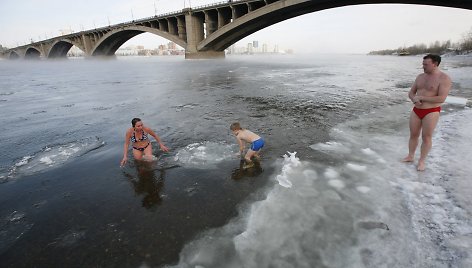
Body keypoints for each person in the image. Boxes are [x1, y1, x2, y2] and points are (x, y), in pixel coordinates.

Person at [403, 54, 451, 171]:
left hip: (431, 111)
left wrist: (422, 98)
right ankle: (410, 156)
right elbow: (411, 93)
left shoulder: (444, 78)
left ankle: (422, 161)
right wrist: (414, 98)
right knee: (413, 134)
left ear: (435, 64)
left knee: (426, 137)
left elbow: (441, 98)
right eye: (423, 64)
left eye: (426, 64)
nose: (423, 66)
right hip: (416, 110)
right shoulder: (420, 77)